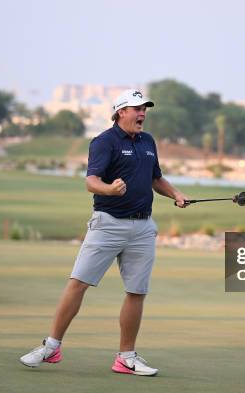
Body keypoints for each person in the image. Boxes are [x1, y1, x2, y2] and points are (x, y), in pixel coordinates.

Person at [19, 88, 189, 376]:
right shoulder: (104, 142)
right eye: (137, 108)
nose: (142, 113)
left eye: (144, 108)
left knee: (137, 292)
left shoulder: (148, 141)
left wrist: (174, 193)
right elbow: (91, 181)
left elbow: (155, 178)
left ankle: (126, 357)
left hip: (143, 227)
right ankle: (51, 346)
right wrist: (110, 189)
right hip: (107, 223)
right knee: (78, 283)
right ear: (120, 111)